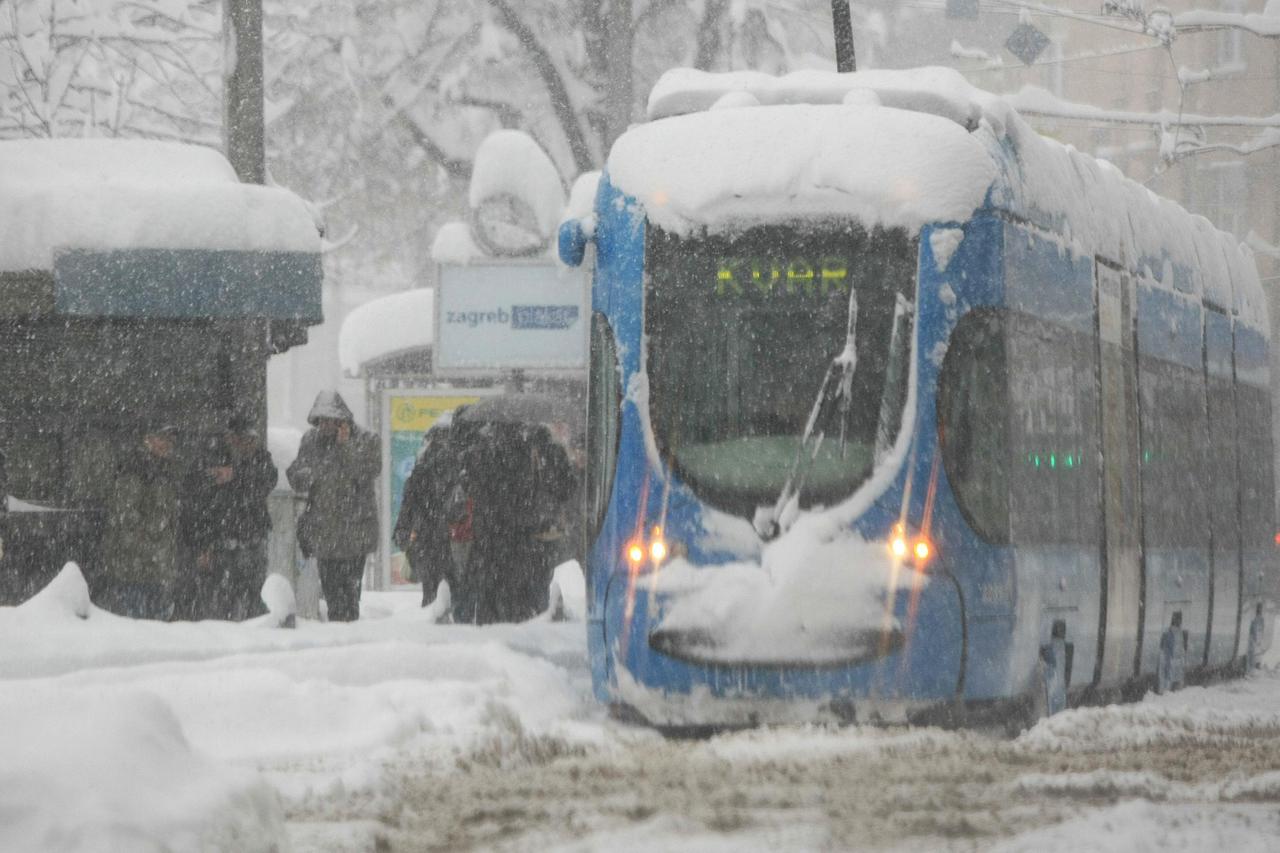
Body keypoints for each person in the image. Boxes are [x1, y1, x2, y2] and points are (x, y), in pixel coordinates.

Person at [286, 392, 380, 622]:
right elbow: (297, 476)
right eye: (322, 421)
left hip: (355, 533)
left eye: (331, 420)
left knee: (350, 594)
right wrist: (306, 475)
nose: (326, 426)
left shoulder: (366, 439)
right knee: (331, 592)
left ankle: (349, 630)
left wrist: (345, 447)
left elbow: (366, 473)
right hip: (324, 533)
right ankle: (340, 628)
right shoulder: (311, 441)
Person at [101, 425, 184, 620]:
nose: (168, 444)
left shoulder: (165, 470)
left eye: (171, 440)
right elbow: (126, 514)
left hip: (155, 567)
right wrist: (155, 527)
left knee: (155, 622)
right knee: (137, 622)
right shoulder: (135, 469)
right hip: (135, 566)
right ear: (148, 439)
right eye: (162, 438)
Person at [394, 417, 456, 608]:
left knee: (431, 588)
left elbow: (409, 502)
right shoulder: (461, 463)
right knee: (456, 587)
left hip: (426, 538)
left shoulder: (422, 466)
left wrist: (402, 530)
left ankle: (432, 615)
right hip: (454, 537)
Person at [222, 414, 278, 620]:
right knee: (230, 590)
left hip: (254, 531)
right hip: (228, 534)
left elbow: (267, 480)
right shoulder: (220, 458)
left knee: (255, 587)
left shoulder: (261, 459)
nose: (247, 444)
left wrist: (236, 474)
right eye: (242, 439)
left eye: (251, 440)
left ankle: (254, 620)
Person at [177, 435, 237, 620]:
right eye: (215, 467)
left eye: (225, 467)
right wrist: (204, 548)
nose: (220, 472)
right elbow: (194, 521)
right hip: (199, 552)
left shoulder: (233, 489)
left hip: (224, 554)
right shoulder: (197, 489)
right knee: (198, 599)